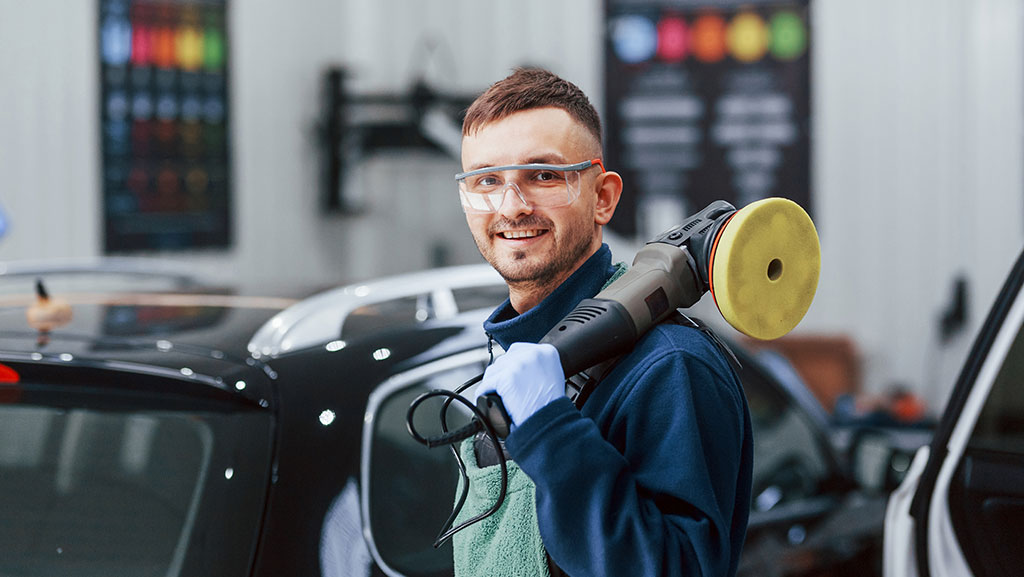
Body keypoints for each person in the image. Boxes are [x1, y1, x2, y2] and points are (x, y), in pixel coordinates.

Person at [453, 67, 753, 577]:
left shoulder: (670, 368)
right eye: (487, 180)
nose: (511, 206)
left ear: (603, 198)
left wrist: (550, 431)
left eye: (543, 175)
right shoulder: (506, 360)